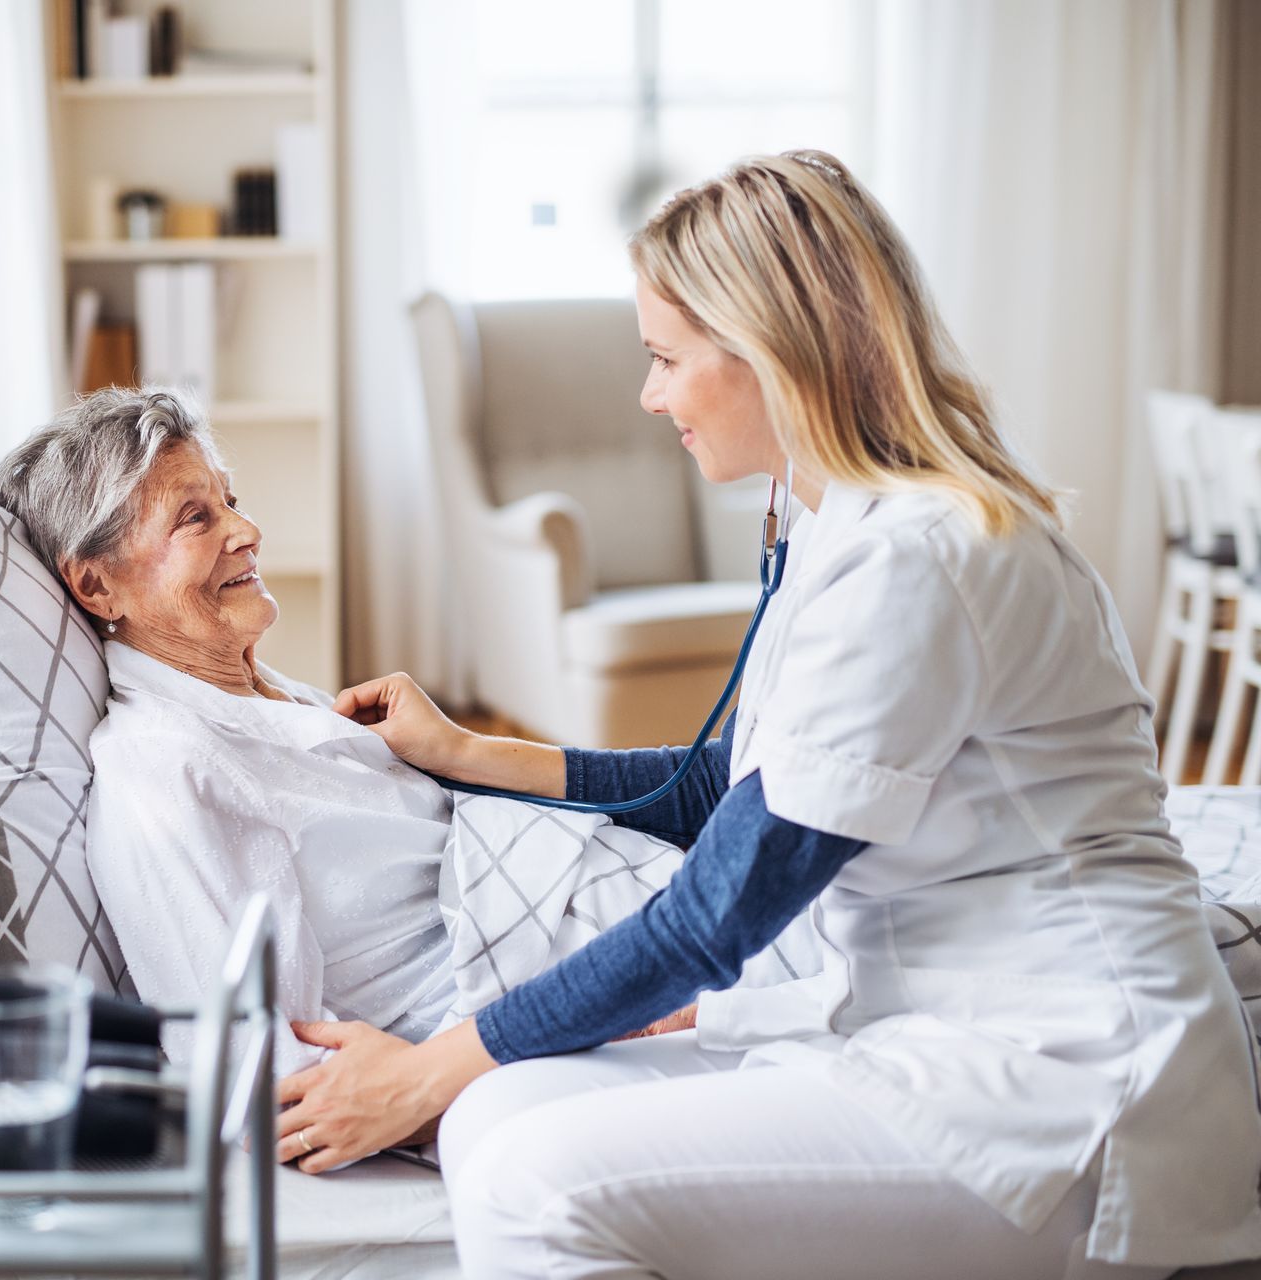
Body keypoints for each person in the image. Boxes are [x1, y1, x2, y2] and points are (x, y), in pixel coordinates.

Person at [272, 151, 1261, 1279]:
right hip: (925, 1019)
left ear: (772, 353)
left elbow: (716, 913)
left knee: (526, 1179)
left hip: (1066, 1078)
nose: (649, 396)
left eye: (664, 358)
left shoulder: (920, 557)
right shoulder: (838, 518)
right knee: (494, 1117)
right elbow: (720, 786)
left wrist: (425, 1064)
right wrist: (462, 751)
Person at [0, 388, 719, 1077]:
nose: (248, 532)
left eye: (230, 503)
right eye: (195, 518)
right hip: (611, 994)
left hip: (662, 912)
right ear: (95, 586)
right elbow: (257, 1066)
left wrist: (458, 755)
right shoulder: (165, 772)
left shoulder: (276, 700)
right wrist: (607, 1027)